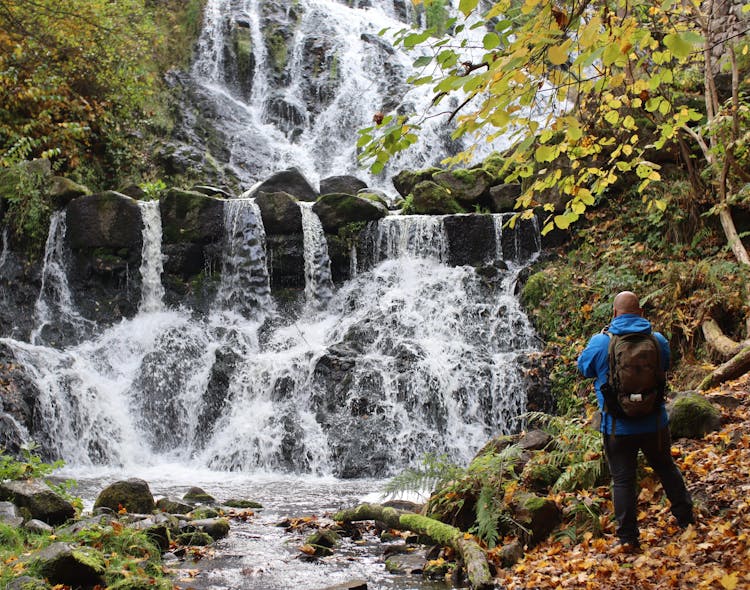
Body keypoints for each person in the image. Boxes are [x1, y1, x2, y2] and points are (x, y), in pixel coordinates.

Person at [578, 291, 694, 551]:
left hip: (617, 427)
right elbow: (665, 365)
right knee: (665, 467)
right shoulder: (658, 340)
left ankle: (629, 539)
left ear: (614, 313)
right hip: (654, 423)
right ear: (641, 313)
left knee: (622, 481)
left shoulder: (601, 342)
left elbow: (583, 369)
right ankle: (687, 519)